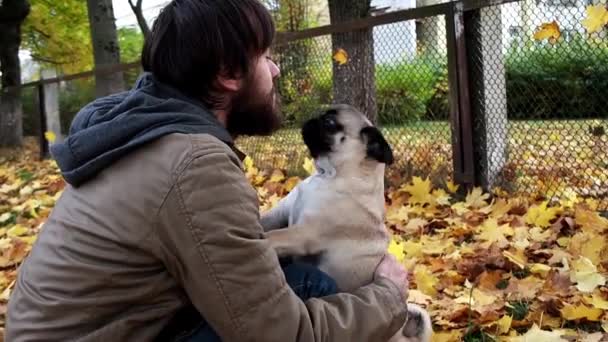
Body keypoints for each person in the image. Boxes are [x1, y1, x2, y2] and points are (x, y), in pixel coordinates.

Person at [6, 0, 409, 341]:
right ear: (229, 74)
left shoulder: (144, 135)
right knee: (312, 286)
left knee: (285, 275)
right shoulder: (194, 162)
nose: (276, 71)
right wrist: (389, 296)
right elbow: (281, 333)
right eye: (266, 57)